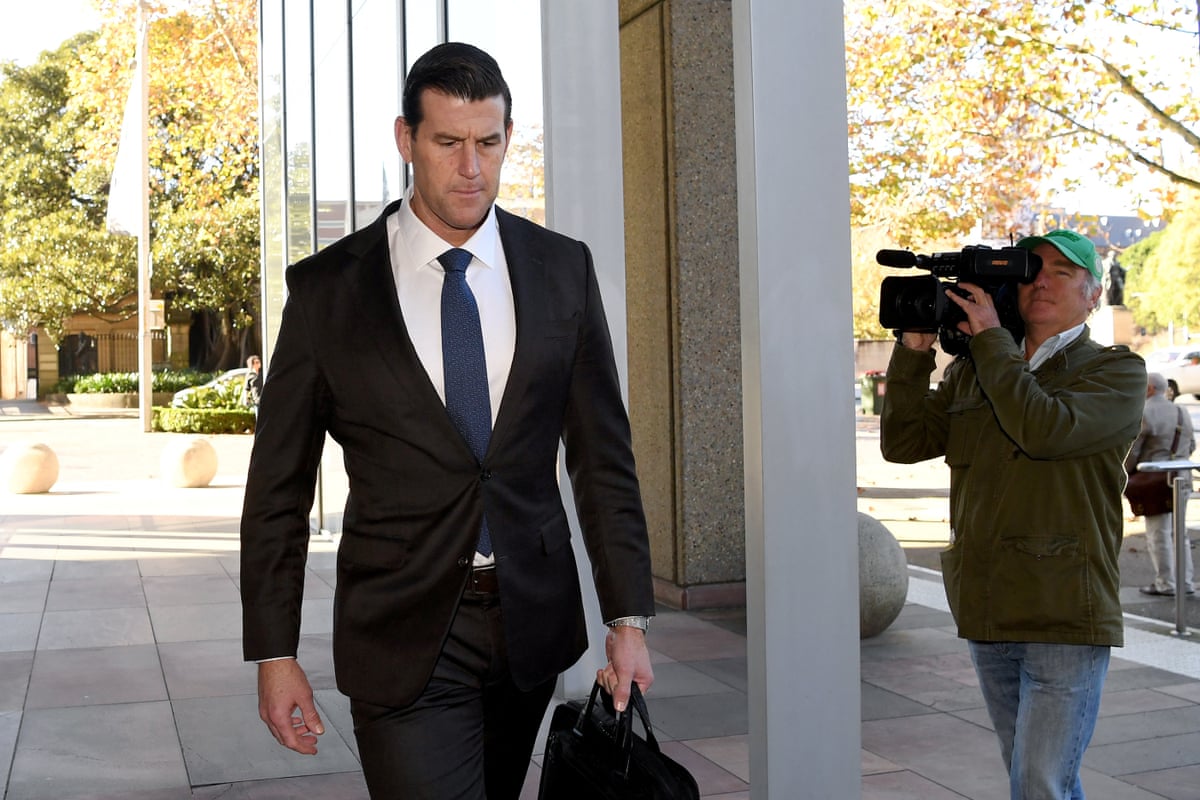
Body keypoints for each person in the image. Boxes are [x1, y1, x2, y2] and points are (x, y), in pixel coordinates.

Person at [239, 42, 655, 800]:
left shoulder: (563, 269)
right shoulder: (329, 292)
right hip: (400, 632)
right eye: (448, 142)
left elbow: (602, 457)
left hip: (531, 625)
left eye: (489, 143)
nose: (472, 167)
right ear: (406, 140)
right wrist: (275, 652)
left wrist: (628, 617)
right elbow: (278, 489)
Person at [880, 229, 1146, 800]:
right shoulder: (977, 368)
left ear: (1093, 292)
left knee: (1039, 783)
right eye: (1030, 271)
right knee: (1031, 777)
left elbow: (1043, 430)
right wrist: (913, 353)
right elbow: (904, 442)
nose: (1041, 281)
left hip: (1062, 611)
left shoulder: (1115, 371)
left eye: (1062, 270)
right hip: (987, 605)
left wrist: (993, 343)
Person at [1127, 371, 1195, 597]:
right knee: (1180, 533)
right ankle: (1186, 582)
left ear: (1148, 389)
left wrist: (1126, 473)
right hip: (1181, 476)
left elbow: (1134, 450)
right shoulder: (1181, 411)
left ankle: (1166, 583)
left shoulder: (1144, 412)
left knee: (1158, 533)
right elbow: (1191, 444)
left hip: (1155, 479)